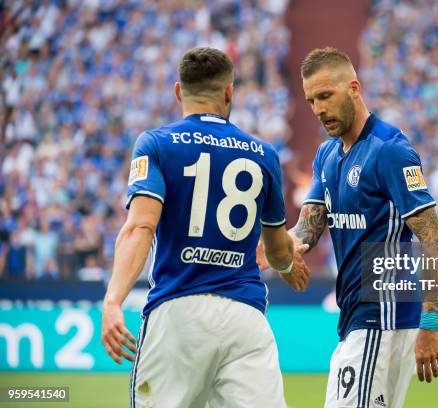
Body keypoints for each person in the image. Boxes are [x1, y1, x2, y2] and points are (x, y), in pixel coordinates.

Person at [101, 47, 310, 408]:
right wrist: (288, 264)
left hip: (178, 315)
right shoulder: (264, 154)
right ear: (230, 92)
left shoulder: (156, 143)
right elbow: (277, 251)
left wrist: (113, 300)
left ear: (178, 91)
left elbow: (140, 227)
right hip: (245, 319)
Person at [290, 47, 438, 408]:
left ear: (354, 87)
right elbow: (306, 230)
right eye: (311, 100)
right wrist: (277, 250)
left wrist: (430, 322)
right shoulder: (327, 155)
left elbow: (433, 238)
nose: (318, 109)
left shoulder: (389, 150)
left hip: (381, 318)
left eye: (326, 96)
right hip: (357, 320)